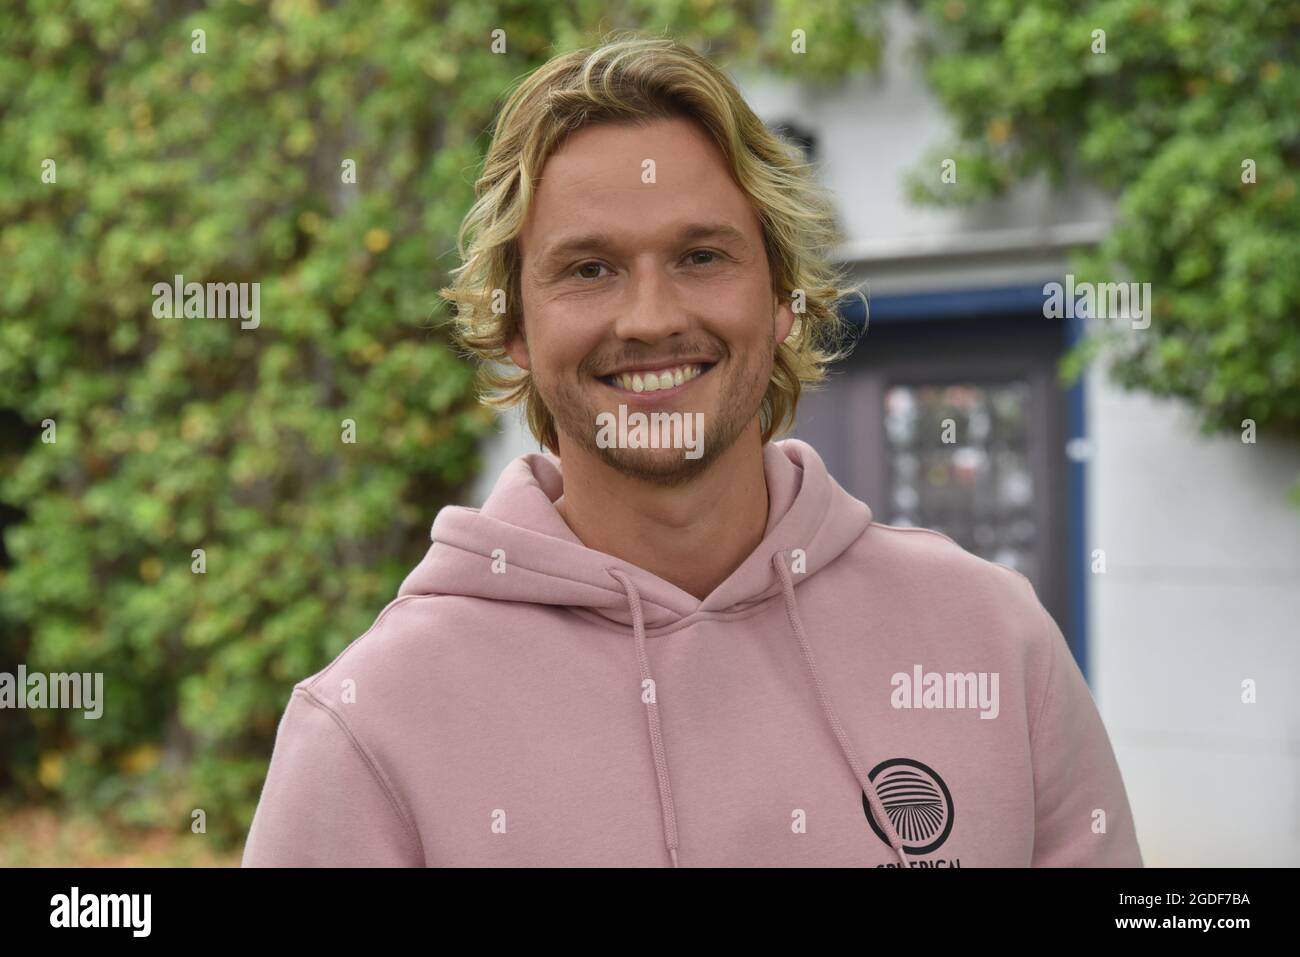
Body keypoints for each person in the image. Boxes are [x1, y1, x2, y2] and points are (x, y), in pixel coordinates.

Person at [241, 32, 1142, 867]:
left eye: (702, 256)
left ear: (782, 296)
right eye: (589, 269)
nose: (653, 318)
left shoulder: (992, 641)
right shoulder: (369, 726)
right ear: (515, 325)